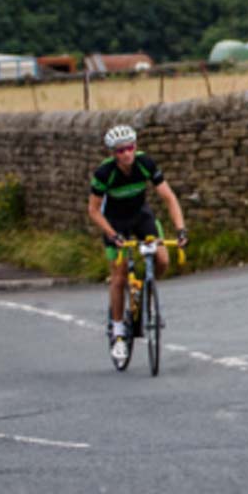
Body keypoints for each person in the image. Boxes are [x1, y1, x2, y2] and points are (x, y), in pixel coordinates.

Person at [86, 124, 188, 363]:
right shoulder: (104, 174)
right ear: (113, 153)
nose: (127, 154)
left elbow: (169, 197)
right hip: (115, 222)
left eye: (130, 148)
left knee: (162, 260)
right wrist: (112, 234)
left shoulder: (146, 164)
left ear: (136, 147)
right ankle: (119, 332)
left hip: (141, 217)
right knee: (119, 277)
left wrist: (181, 229)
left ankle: (146, 291)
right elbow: (93, 211)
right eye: (121, 151)